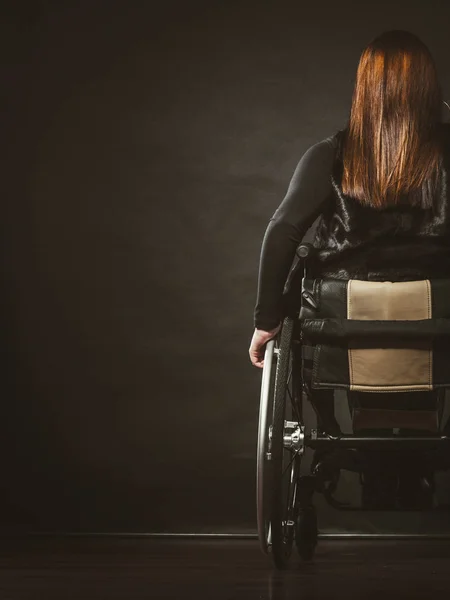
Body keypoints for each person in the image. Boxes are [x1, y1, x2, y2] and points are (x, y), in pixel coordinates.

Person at [249, 29, 450, 508]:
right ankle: (414, 470)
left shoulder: (330, 156)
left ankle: (370, 465)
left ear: (364, 89)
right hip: (438, 320)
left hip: (344, 322)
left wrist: (266, 320)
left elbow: (281, 233)